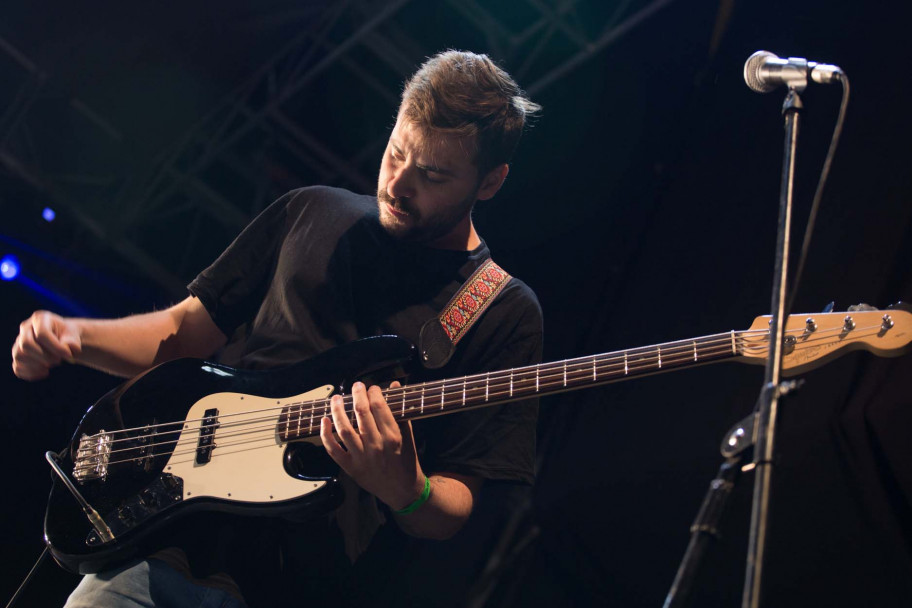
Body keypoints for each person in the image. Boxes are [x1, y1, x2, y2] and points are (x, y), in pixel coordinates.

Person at [12, 50, 542, 607]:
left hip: (300, 582)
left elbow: (455, 505)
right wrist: (76, 337)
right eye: (396, 153)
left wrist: (405, 488)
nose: (398, 183)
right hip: (167, 540)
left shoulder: (501, 310)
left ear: (491, 182)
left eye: (432, 174)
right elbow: (184, 334)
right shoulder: (311, 211)